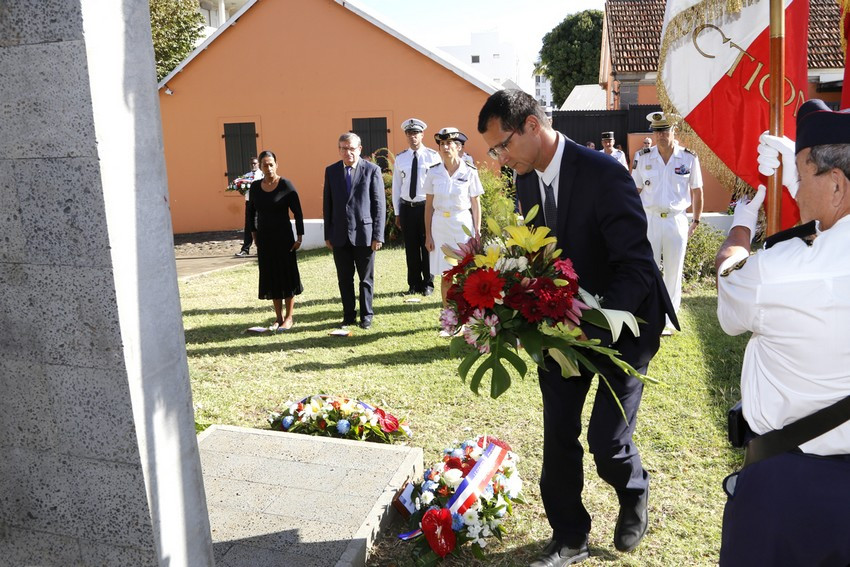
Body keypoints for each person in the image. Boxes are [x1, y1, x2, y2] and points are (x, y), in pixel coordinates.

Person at [478, 89, 676, 566]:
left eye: (501, 145)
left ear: (530, 125)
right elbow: (541, 254)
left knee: (607, 441)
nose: (500, 158)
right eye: (493, 151)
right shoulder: (525, 177)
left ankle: (633, 489)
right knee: (559, 433)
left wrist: (595, 326)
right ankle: (570, 536)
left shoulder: (604, 173)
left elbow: (636, 267)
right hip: (559, 330)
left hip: (624, 324)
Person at [715, 99, 850, 566]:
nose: (794, 187)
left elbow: (731, 294)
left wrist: (740, 226)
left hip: (792, 490)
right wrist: (803, 173)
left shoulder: (781, 271)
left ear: (836, 183)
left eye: (801, 173)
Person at [632, 112, 703, 335]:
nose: (660, 135)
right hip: (649, 219)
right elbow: (634, 191)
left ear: (674, 131)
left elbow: (697, 191)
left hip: (676, 220)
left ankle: (670, 321)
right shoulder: (643, 157)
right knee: (648, 269)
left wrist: (696, 220)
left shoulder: (689, 158)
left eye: (665, 130)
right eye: (656, 131)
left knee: (673, 271)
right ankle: (650, 315)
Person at [323, 132, 386, 329]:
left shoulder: (372, 170)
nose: (347, 152)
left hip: (364, 234)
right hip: (340, 235)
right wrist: (328, 234)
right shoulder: (331, 171)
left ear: (359, 149)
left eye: (351, 148)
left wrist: (378, 235)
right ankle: (348, 315)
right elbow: (328, 204)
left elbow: (379, 204)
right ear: (339, 150)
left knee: (365, 279)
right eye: (343, 148)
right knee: (344, 278)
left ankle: (366, 316)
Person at [423, 127, 483, 312]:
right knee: (446, 274)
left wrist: (477, 233)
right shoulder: (433, 172)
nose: (445, 147)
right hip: (440, 225)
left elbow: (476, 204)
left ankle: (466, 313)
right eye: (442, 143)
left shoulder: (470, 171)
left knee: (465, 273)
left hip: (462, 224)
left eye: (449, 143)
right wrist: (428, 236)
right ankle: (448, 315)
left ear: (459, 147)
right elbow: (429, 206)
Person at [247, 150, 303, 331]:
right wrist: (254, 234)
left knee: (287, 277)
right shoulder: (255, 187)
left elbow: (298, 212)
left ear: (276, 165)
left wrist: (299, 236)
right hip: (265, 239)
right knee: (271, 277)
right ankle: (278, 317)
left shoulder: (286, 184)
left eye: (271, 164)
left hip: (284, 238)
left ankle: (289, 317)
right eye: (265, 165)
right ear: (260, 167)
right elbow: (250, 213)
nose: (269, 168)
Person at [392, 118, 441, 296]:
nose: (413, 136)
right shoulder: (401, 158)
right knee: (411, 247)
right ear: (406, 135)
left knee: (427, 245)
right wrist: (398, 212)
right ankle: (413, 284)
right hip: (407, 207)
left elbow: (437, 184)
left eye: (416, 133)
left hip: (426, 207)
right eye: (409, 133)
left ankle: (428, 283)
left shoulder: (433, 156)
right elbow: (397, 186)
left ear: (422, 134)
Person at [236, 157, 263, 257]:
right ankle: (245, 249)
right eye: (251, 164)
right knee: (248, 225)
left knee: (260, 224)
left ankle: (261, 247)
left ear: (258, 164)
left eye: (255, 163)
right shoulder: (246, 176)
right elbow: (242, 190)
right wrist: (240, 188)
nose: (253, 165)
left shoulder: (262, 175)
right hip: (249, 202)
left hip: (259, 202)